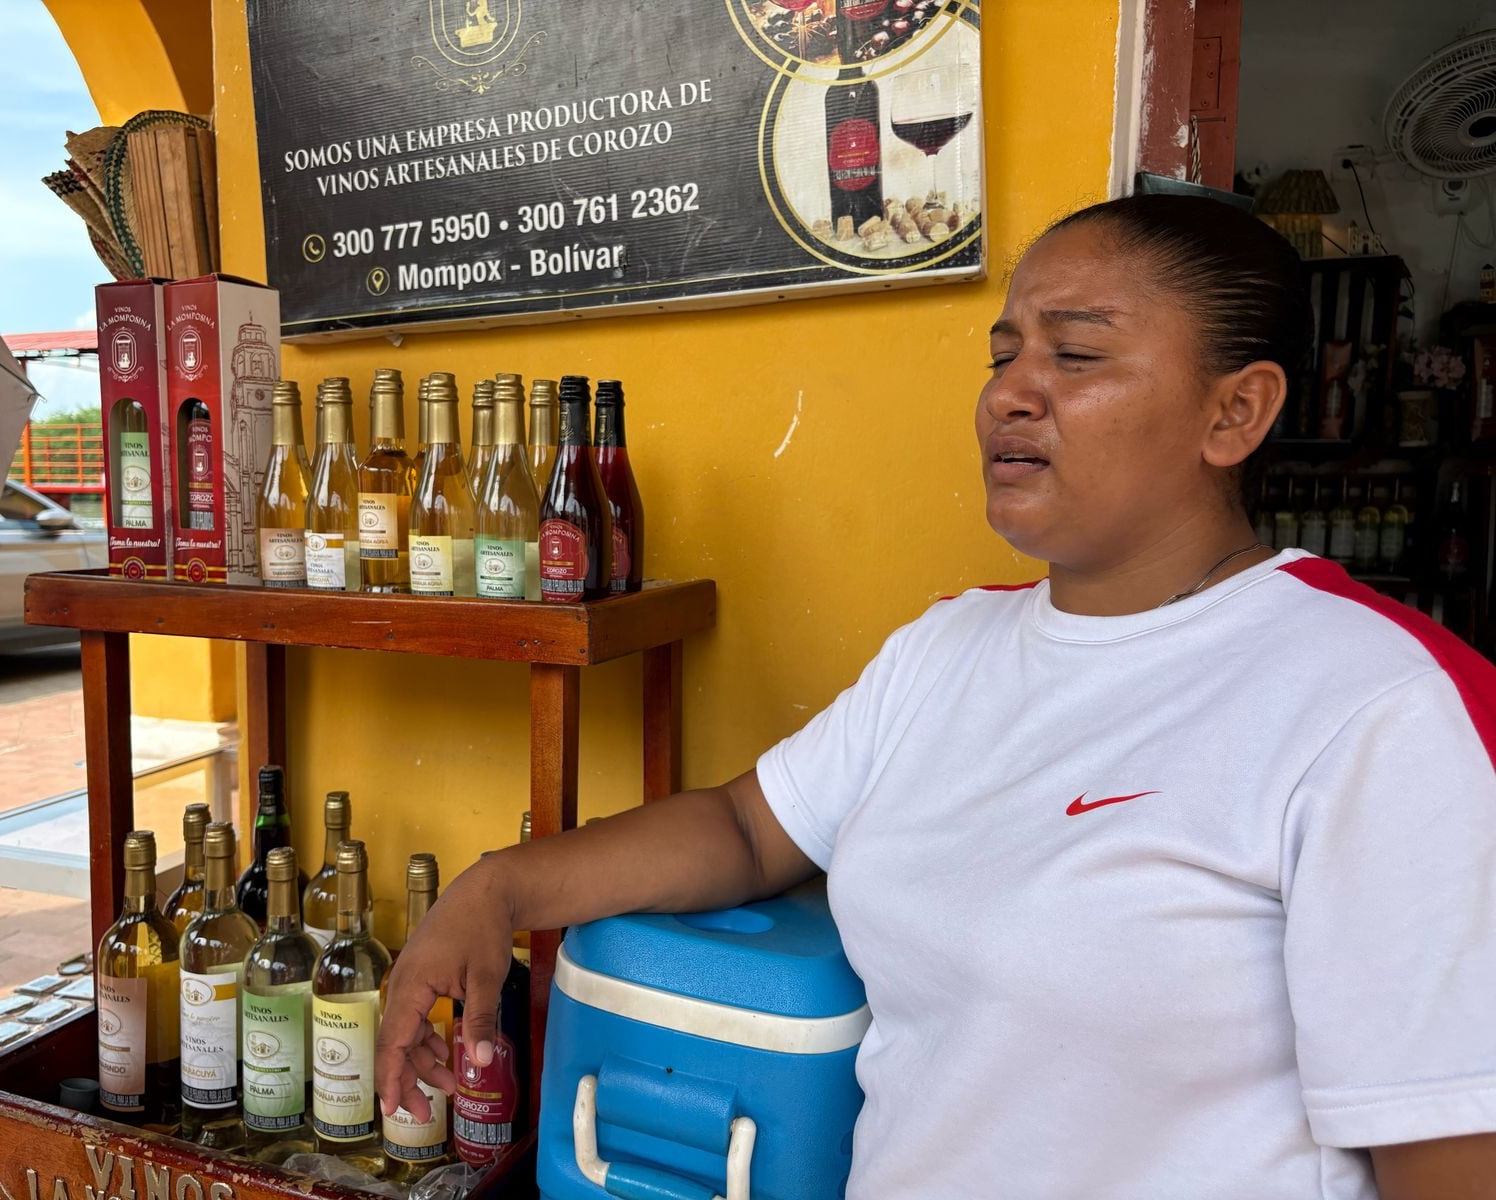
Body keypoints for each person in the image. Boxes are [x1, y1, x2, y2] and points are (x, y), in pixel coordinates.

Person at [377, 195, 1496, 1198]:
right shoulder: (950, 647)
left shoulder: (1377, 706)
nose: (1012, 391)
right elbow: (745, 827)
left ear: (1235, 414)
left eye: (1078, 354)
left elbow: (1448, 1157)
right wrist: (499, 888)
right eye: (1005, 352)